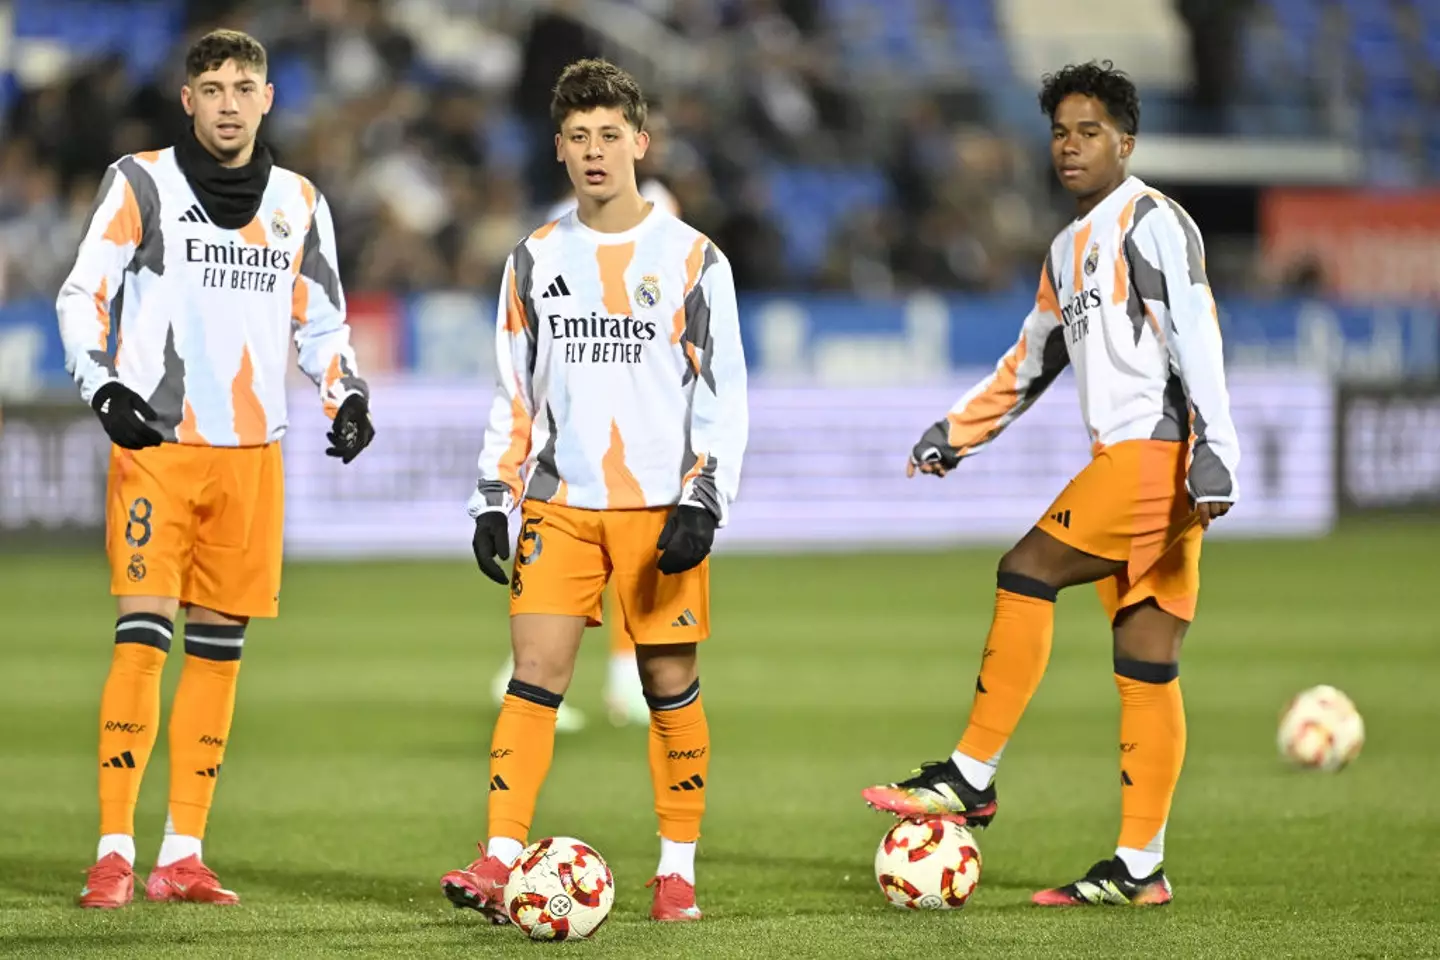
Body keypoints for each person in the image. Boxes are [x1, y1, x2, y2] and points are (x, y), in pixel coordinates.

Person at [861, 60, 1240, 907]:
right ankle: (1141, 867)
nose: (1071, 147)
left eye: (1090, 131)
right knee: (1146, 662)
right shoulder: (1067, 252)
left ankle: (971, 773)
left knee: (1026, 568)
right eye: (1061, 133)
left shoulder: (1153, 222)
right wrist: (955, 433)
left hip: (1156, 454)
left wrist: (1218, 446)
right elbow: (1028, 365)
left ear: (1126, 142)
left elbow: (1196, 333)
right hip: (1138, 460)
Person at [56, 29, 374, 909]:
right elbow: (82, 291)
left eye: (245, 86)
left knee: (220, 653)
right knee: (144, 634)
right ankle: (115, 851)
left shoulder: (300, 203)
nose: (229, 101)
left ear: (268, 99)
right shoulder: (141, 182)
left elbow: (323, 326)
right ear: (187, 100)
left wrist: (345, 396)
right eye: (212, 86)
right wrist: (103, 385)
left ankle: (182, 853)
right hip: (157, 445)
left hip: (251, 456)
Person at [440, 58, 748, 924]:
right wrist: (491, 498)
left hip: (659, 505)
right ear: (560, 152)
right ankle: (500, 857)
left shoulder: (693, 259)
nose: (595, 151)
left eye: (610, 134)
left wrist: (704, 497)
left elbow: (723, 393)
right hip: (562, 503)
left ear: (641, 144)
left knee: (669, 684)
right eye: (578, 137)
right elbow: (514, 393)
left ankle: (676, 871)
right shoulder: (535, 259)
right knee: (534, 678)